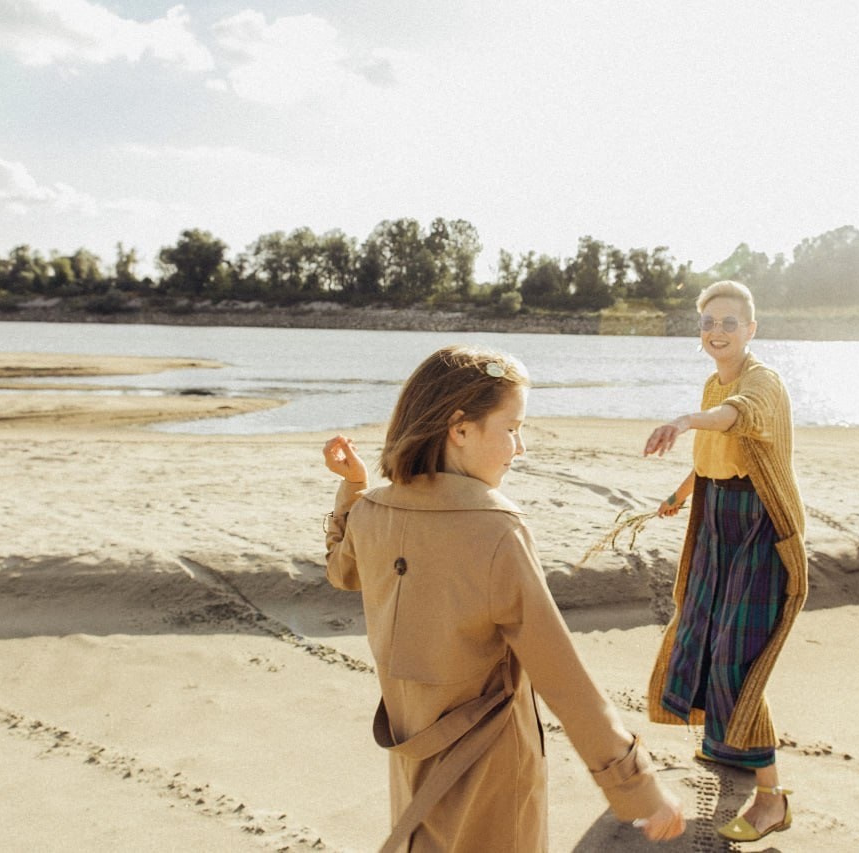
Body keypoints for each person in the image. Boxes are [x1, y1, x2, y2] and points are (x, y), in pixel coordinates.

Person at [323, 344, 684, 851]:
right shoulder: (496, 530)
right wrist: (637, 787)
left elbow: (342, 570)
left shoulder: (371, 512)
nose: (521, 448)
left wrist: (355, 488)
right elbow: (561, 676)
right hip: (491, 771)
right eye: (512, 428)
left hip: (412, 763)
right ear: (461, 429)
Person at [642, 281, 808, 843]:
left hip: (759, 527)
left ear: (751, 329)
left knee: (737, 653)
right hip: (717, 522)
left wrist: (686, 419)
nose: (716, 332)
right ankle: (728, 748)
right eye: (708, 322)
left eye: (729, 323)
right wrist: (681, 493)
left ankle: (772, 798)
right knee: (703, 633)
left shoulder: (763, 382)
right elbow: (720, 447)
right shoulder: (714, 379)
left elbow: (738, 418)